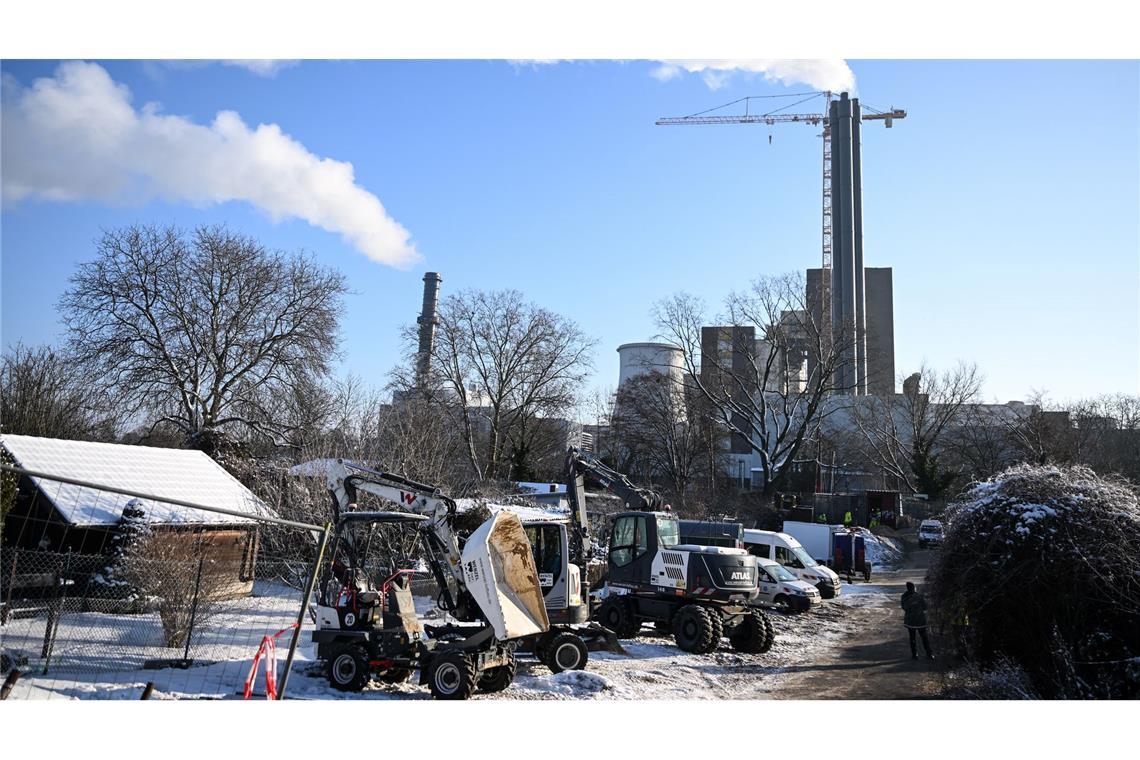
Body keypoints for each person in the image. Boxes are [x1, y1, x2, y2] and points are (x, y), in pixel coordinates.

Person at [901, 581, 934, 660]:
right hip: (920, 620)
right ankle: (929, 654)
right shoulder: (919, 596)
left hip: (910, 621)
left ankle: (914, 655)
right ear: (914, 588)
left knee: (912, 638)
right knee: (924, 637)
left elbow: (904, 607)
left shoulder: (904, 597)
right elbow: (925, 607)